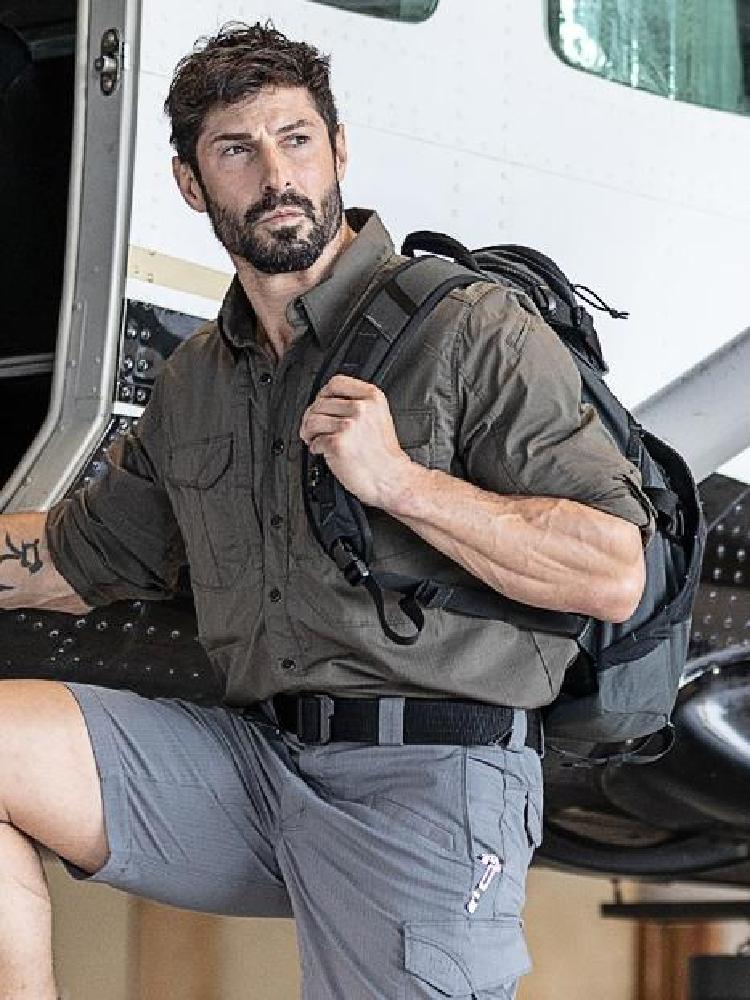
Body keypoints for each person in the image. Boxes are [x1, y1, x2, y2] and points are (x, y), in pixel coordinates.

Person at [0, 22, 655, 1000]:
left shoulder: (469, 328)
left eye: (296, 140)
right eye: (236, 150)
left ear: (339, 149)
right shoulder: (197, 380)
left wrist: (401, 482)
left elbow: (612, 570)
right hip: (259, 764)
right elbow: (69, 559)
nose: (276, 176)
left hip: (426, 776)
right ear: (191, 184)